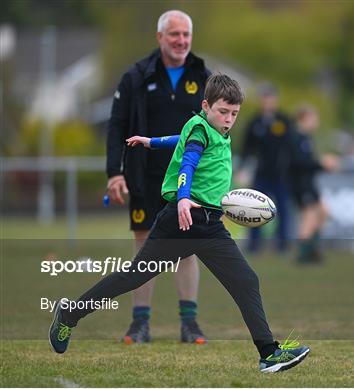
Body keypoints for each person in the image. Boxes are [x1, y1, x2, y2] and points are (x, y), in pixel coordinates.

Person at [49, 74, 310, 372]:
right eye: (223, 112)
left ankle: (268, 353)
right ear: (206, 106)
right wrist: (184, 197)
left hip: (210, 226)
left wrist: (151, 142)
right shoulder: (201, 130)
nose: (228, 119)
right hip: (181, 222)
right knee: (133, 277)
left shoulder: (211, 130)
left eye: (234, 114)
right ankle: (69, 314)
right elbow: (188, 160)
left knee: (246, 280)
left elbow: (180, 140)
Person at [105, 10, 210, 344]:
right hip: (145, 177)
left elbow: (214, 129)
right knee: (144, 249)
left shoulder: (202, 74)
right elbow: (117, 127)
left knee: (187, 249)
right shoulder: (136, 76)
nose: (181, 41)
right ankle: (140, 325)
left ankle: (189, 324)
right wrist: (114, 173)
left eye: (186, 35)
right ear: (160, 37)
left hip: (188, 179)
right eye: (174, 34)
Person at [238, 83, 295, 253]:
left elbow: (291, 146)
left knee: (283, 210)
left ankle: (283, 245)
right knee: (255, 210)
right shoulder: (254, 122)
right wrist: (243, 168)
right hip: (261, 174)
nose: (267, 101)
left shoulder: (284, 120)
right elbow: (247, 148)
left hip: (280, 175)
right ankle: (254, 245)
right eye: (264, 98)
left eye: (270, 97)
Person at [289, 104, 339, 264]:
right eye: (313, 118)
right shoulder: (295, 137)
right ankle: (304, 254)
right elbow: (299, 163)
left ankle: (313, 249)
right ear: (303, 119)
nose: (316, 122)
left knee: (322, 212)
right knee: (309, 216)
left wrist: (322, 165)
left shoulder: (306, 138)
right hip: (300, 183)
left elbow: (308, 163)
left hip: (308, 183)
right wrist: (322, 163)